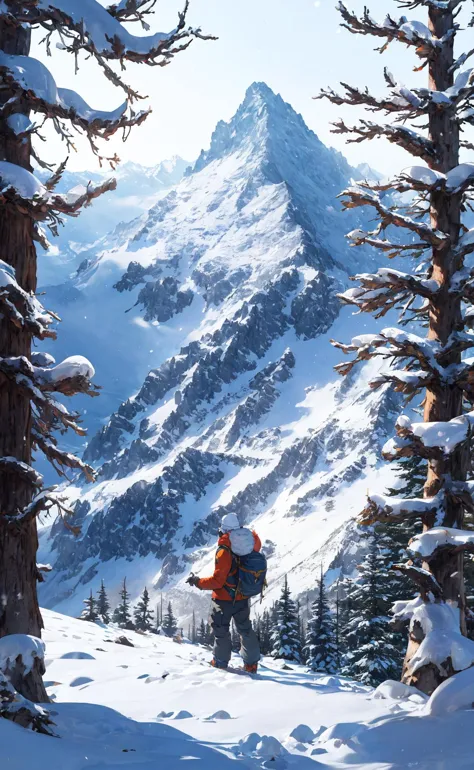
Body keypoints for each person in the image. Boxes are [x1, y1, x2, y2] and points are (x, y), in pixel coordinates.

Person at [187, 512, 261, 673]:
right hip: (242, 597)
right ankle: (251, 664)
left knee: (221, 630)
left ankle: (220, 662)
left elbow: (218, 581)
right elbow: (257, 546)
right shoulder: (249, 543)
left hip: (223, 599)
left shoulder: (224, 550)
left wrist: (197, 582)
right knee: (245, 629)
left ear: (223, 530)